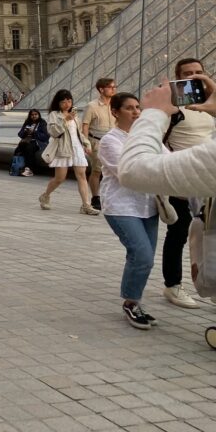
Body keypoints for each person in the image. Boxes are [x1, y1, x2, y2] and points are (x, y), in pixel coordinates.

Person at [97, 92, 159, 329]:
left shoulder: (149, 137)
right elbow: (128, 171)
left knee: (145, 258)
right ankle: (131, 302)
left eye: (137, 107)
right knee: (142, 255)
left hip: (149, 205)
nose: (136, 112)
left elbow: (169, 160)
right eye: (129, 108)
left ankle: (135, 300)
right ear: (115, 112)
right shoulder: (110, 141)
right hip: (121, 205)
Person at [158, 58, 213, 309]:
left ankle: (208, 283)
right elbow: (156, 139)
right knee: (178, 233)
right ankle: (173, 285)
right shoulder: (173, 108)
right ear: (177, 78)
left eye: (198, 72)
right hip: (181, 178)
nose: (194, 77)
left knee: (209, 235)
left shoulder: (212, 104)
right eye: (187, 74)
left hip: (209, 179)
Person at [38, 89, 97, 214]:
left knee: (82, 175)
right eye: (63, 102)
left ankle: (86, 205)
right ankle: (46, 195)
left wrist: (86, 144)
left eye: (69, 101)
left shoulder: (75, 116)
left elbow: (79, 133)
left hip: (77, 148)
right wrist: (65, 120)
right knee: (60, 178)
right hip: (63, 149)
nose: (67, 104)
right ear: (58, 103)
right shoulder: (54, 115)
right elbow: (53, 132)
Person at [82, 77, 117, 211]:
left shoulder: (116, 104)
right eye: (111, 87)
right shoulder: (92, 106)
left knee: (114, 170)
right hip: (97, 141)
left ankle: (109, 196)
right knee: (97, 170)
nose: (114, 89)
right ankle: (95, 197)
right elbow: (85, 125)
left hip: (113, 142)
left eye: (115, 87)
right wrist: (86, 143)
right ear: (101, 90)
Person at [14, 109, 49, 176]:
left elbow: (46, 136)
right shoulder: (27, 122)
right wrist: (25, 132)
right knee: (18, 149)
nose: (34, 116)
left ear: (39, 115)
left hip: (39, 142)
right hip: (27, 141)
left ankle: (29, 169)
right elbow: (20, 134)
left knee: (29, 148)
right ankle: (17, 167)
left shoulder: (42, 122)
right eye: (32, 115)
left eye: (36, 114)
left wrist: (34, 132)